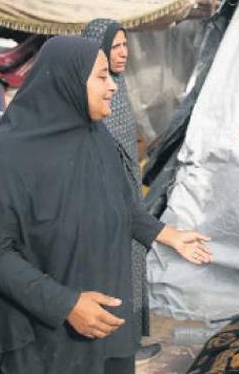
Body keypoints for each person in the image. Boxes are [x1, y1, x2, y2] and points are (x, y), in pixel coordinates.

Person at [0, 36, 212, 374]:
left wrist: (168, 235)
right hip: (45, 339)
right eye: (100, 76)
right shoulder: (5, 161)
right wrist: (66, 304)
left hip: (105, 327)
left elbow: (121, 206)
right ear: (66, 80)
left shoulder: (98, 142)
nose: (111, 87)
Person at [82, 18, 158, 361]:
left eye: (126, 45)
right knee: (114, 268)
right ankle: (118, 346)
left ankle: (131, 340)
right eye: (116, 46)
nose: (124, 53)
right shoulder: (90, 91)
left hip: (128, 193)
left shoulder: (119, 85)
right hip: (107, 197)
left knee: (133, 261)